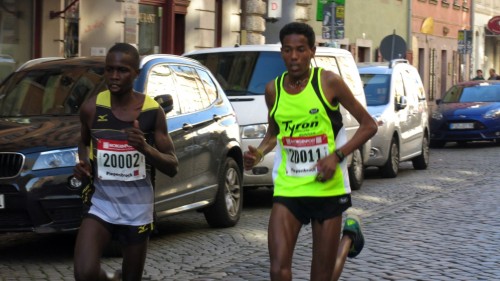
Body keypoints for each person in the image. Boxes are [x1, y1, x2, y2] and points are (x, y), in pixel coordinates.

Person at [243, 22, 377, 281]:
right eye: (288, 50)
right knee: (278, 270)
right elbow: (274, 133)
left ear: (313, 51)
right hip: (289, 187)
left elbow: (369, 125)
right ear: (281, 52)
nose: (294, 57)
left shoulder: (328, 83)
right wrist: (258, 154)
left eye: (301, 50)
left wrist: (337, 156)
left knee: (322, 277)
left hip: (327, 189)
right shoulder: (273, 90)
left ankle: (348, 238)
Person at [73, 43, 179, 281]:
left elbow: (172, 165)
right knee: (84, 273)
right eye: (109, 69)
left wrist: (145, 147)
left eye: (122, 70)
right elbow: (83, 142)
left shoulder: (152, 112)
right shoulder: (91, 108)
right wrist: (84, 163)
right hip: (102, 203)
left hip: (138, 210)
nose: (114, 76)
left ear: (136, 74)